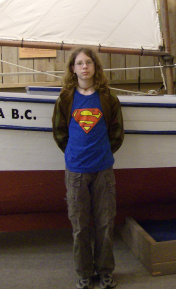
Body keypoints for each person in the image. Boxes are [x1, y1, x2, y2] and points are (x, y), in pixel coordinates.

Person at [52, 47, 124, 289]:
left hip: (103, 171)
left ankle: (105, 271)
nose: (84, 67)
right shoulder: (65, 99)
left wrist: (100, 154)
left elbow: (116, 133)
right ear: (73, 68)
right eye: (79, 63)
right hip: (76, 174)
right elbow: (59, 133)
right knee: (80, 227)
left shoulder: (109, 99)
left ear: (95, 67)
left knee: (105, 225)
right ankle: (84, 273)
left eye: (89, 63)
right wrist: (76, 155)